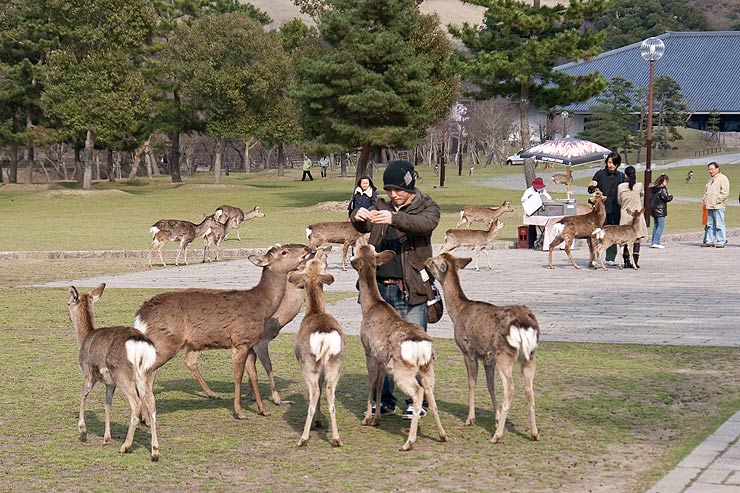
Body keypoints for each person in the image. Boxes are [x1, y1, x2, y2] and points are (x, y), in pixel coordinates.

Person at [350, 159, 440, 419]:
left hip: (410, 290)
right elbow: (363, 225)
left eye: (398, 190)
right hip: (379, 291)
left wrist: (395, 218)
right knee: (381, 347)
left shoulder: (428, 208)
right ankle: (385, 400)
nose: (393, 195)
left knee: (415, 346)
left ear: (410, 186)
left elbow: (423, 225)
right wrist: (358, 217)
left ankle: (418, 400)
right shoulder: (380, 205)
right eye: (389, 190)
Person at [587, 151, 625, 265]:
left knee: (613, 232)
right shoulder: (600, 174)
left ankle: (610, 258)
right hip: (601, 211)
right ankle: (595, 257)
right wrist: (592, 186)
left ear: (617, 164)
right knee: (598, 233)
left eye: (614, 163)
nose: (611, 165)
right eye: (609, 162)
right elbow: (590, 190)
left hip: (616, 209)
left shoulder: (621, 176)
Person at [617, 165, 648, 267]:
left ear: (625, 175)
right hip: (637, 215)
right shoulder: (639, 185)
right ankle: (635, 261)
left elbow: (619, 201)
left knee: (625, 239)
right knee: (637, 238)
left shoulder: (621, 187)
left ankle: (626, 261)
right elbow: (642, 198)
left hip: (625, 214)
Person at [702, 161, 730, 247]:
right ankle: (709, 241)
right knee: (710, 224)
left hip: (718, 206)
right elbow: (706, 191)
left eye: (712, 169)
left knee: (719, 224)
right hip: (709, 205)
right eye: (709, 169)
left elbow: (725, 192)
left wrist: (717, 200)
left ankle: (721, 241)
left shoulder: (723, 178)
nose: (711, 171)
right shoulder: (710, 179)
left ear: (717, 169)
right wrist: (705, 200)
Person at [521, 177, 552, 249]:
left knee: (545, 226)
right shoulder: (529, 191)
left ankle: (544, 242)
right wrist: (530, 198)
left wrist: (545, 197)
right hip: (531, 211)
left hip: (541, 211)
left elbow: (549, 198)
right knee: (532, 227)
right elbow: (523, 199)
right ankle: (531, 244)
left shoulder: (543, 190)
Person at [649, 174, 673, 249]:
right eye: (667, 181)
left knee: (656, 225)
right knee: (661, 225)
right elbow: (666, 198)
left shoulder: (653, 188)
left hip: (653, 209)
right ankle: (656, 242)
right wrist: (671, 196)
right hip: (660, 210)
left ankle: (653, 241)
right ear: (664, 180)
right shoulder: (662, 188)